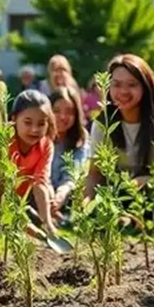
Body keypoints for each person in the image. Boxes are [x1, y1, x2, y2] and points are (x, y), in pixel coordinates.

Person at [86, 54, 154, 198]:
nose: (124, 91)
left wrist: (145, 182)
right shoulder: (103, 123)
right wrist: (86, 208)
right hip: (114, 202)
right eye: (117, 84)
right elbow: (95, 174)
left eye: (132, 85)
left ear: (145, 86)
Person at [0, 90, 59, 241]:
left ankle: (39, 226)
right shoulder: (3, 138)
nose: (34, 129)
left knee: (48, 195)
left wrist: (48, 223)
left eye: (41, 123)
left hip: (23, 197)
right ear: (14, 119)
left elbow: (40, 183)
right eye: (27, 122)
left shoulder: (46, 146)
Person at [49, 86, 90, 221]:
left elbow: (76, 172)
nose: (63, 117)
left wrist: (62, 192)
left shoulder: (80, 137)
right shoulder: (40, 136)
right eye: (56, 111)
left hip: (67, 194)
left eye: (69, 112)